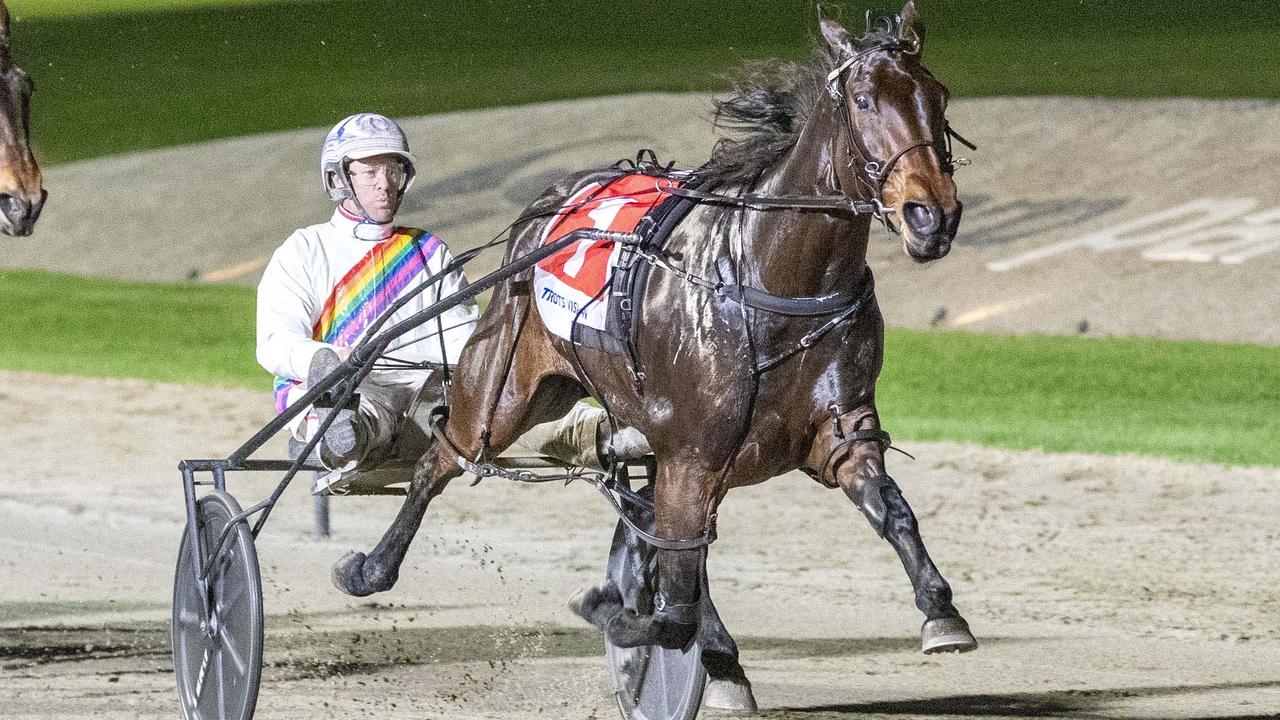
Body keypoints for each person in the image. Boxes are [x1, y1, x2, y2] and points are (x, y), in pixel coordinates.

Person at [256, 112, 640, 483]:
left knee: (509, 401)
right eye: (370, 172)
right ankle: (339, 435)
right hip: (356, 386)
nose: (385, 183)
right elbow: (275, 342)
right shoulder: (304, 249)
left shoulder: (427, 249)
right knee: (358, 409)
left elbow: (461, 337)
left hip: (433, 397)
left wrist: (497, 368)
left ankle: (606, 432)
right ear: (338, 179)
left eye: (394, 170)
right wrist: (327, 359)